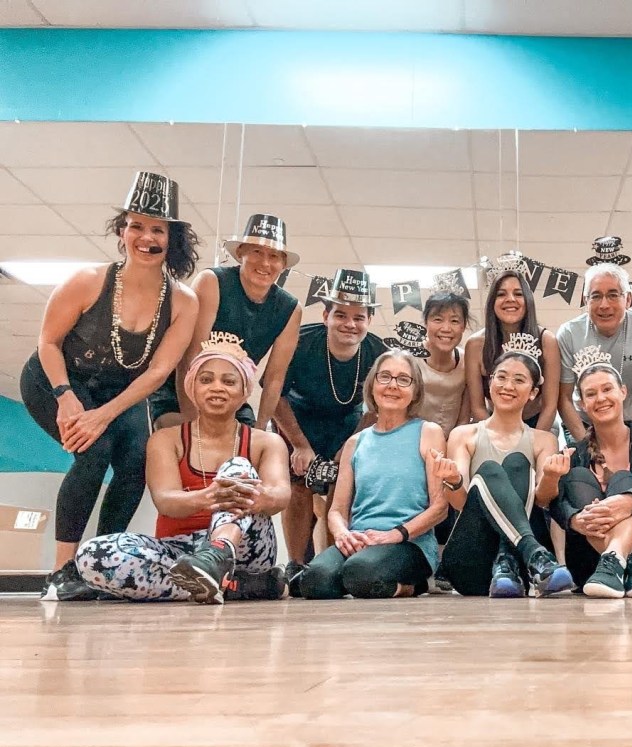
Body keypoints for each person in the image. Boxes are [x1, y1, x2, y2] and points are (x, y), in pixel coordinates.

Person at [22, 171, 200, 601]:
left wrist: (103, 413)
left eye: (157, 230)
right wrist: (66, 398)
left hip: (121, 392)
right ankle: (61, 571)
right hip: (55, 380)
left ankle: (103, 566)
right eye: (136, 226)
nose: (146, 237)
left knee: (137, 461)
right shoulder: (88, 281)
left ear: (171, 239)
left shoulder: (183, 300)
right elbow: (48, 343)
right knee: (94, 451)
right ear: (122, 231)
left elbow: (158, 372)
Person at [75, 334, 291, 604]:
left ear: (244, 392)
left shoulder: (267, 442)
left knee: (238, 468)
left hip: (246, 549)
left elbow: (281, 495)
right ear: (192, 388)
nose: (217, 388)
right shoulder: (165, 439)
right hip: (180, 550)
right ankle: (240, 586)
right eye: (206, 380)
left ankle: (217, 557)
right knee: (91, 556)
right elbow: (166, 501)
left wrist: (250, 495)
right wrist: (210, 496)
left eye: (228, 381)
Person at [298, 350, 449, 599]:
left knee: (361, 572)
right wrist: (343, 535)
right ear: (372, 384)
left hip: (409, 542)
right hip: (360, 540)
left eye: (403, 379)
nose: (393, 385)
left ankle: (416, 586)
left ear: (415, 391)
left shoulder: (428, 432)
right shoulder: (355, 443)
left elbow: (440, 507)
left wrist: (396, 534)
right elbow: (336, 510)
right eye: (385, 377)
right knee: (315, 580)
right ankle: (361, 580)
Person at [273, 269, 387, 587]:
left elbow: (378, 406)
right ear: (326, 316)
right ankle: (296, 563)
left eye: (358, 317)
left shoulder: (378, 352)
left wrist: (351, 445)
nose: (350, 324)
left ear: (369, 320)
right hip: (297, 420)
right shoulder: (300, 341)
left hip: (349, 424)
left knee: (341, 487)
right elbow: (274, 395)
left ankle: (329, 563)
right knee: (299, 487)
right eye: (341, 315)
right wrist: (299, 445)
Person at [437, 349, 573, 598]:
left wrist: (552, 476)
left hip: (523, 571)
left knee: (517, 463)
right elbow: (461, 504)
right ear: (490, 382)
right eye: (501, 377)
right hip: (474, 562)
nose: (508, 386)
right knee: (490, 469)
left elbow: (543, 500)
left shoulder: (544, 440)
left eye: (519, 380)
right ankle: (535, 553)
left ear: (533, 393)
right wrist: (454, 482)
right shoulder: (463, 435)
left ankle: (510, 560)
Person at [150, 213, 301, 430]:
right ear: (240, 253)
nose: (265, 263)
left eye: (274, 256)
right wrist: (194, 424)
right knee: (176, 437)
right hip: (178, 390)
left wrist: (259, 430)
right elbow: (189, 357)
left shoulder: (290, 308)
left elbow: (275, 379)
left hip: (230, 396)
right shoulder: (212, 282)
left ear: (284, 264)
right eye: (257, 252)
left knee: (248, 445)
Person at [550, 349, 632, 598]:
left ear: (623, 391)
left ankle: (617, 560)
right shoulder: (574, 453)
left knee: (623, 480)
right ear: (582, 404)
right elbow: (556, 502)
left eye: (607, 389)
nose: (600, 398)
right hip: (589, 568)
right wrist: (574, 519)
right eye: (591, 394)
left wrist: (627, 502)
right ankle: (626, 564)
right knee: (578, 477)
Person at [557, 262, 632, 444]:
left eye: (613, 295)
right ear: (585, 301)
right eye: (596, 296)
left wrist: (627, 442)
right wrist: (587, 445)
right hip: (584, 425)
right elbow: (564, 398)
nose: (604, 305)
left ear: (628, 299)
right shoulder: (568, 333)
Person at [465, 257, 559, 431]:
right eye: (501, 294)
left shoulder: (546, 341)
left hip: (538, 425)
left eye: (518, 294)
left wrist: (533, 440)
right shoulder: (475, 344)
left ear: (528, 300)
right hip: (491, 426)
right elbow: (477, 407)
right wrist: (498, 438)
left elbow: (550, 405)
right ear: (492, 302)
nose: (510, 299)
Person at [414, 291, 471, 436]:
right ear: (426, 322)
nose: (446, 328)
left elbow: (464, 419)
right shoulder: (410, 360)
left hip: (452, 442)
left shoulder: (467, 362)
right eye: (438, 319)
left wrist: (451, 445)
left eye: (454, 321)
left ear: (463, 326)